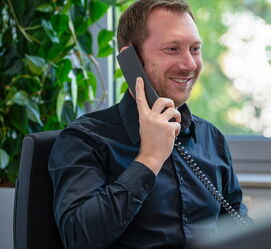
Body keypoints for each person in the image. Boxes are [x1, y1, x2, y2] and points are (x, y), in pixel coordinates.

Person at [48, 0, 251, 248]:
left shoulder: (211, 139)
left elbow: (241, 229)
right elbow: (78, 237)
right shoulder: (85, 139)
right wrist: (149, 159)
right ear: (131, 60)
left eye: (195, 49)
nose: (190, 64)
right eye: (172, 49)